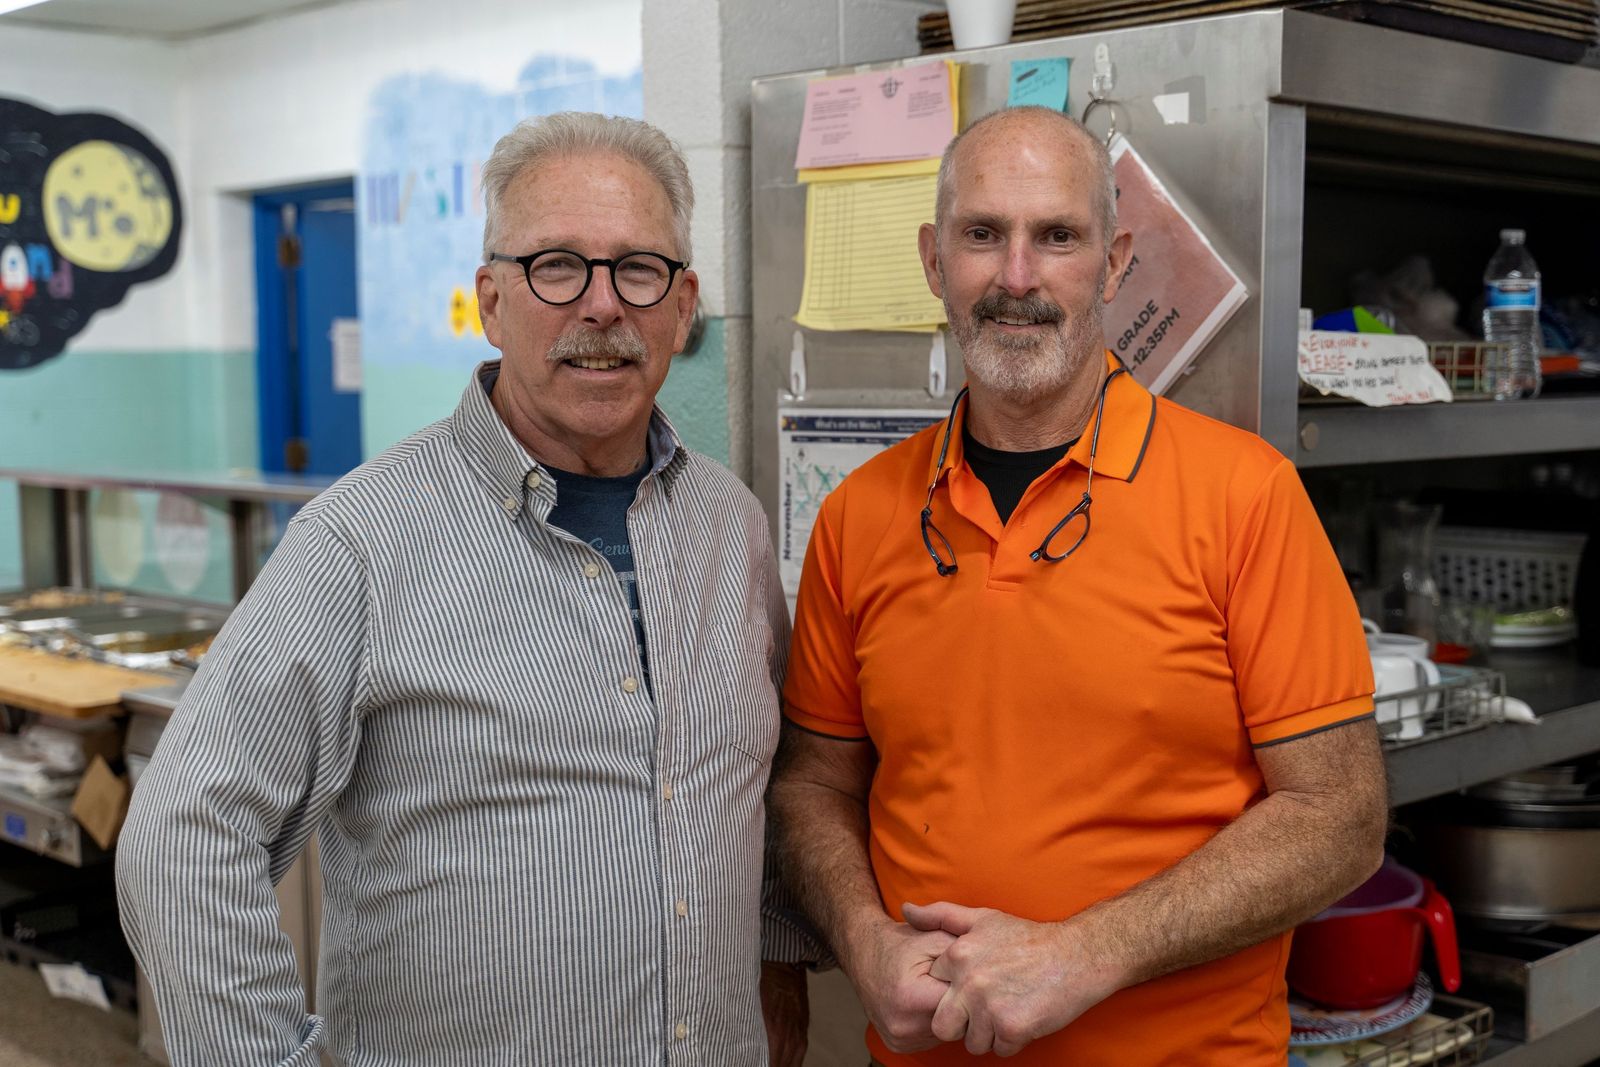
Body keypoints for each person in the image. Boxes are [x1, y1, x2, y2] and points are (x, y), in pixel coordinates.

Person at [117, 111, 812, 1066]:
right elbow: (183, 831)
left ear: (683, 307)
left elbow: (753, 787)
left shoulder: (729, 529)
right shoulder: (363, 540)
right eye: (556, 266)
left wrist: (774, 968)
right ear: (490, 300)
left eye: (638, 269)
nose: (602, 306)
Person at [771, 105, 1388, 1066]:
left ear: (1112, 261)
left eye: (1056, 236)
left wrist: (1087, 953)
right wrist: (861, 939)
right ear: (936, 262)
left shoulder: (1245, 496)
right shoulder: (858, 515)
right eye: (984, 235)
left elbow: (1340, 817)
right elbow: (813, 782)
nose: (1017, 278)